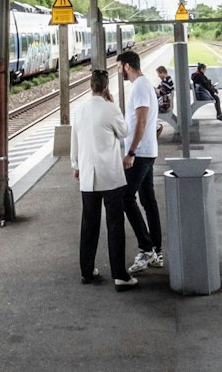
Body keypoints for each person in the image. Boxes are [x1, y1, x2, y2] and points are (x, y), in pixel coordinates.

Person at [70, 69, 136, 290]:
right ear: (106, 87)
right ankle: (119, 275)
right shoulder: (110, 109)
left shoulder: (79, 110)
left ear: (91, 86)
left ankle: (86, 271)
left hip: (88, 176)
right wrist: (113, 105)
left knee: (89, 224)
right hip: (110, 177)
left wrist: (76, 165)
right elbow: (125, 131)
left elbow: (75, 140)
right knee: (115, 225)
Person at [117, 49, 164, 274]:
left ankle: (147, 249)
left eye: (119, 67)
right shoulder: (144, 86)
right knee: (147, 200)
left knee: (126, 198)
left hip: (141, 153)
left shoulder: (140, 86)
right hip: (147, 150)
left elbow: (142, 121)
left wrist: (131, 152)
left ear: (127, 66)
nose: (119, 71)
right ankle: (156, 250)